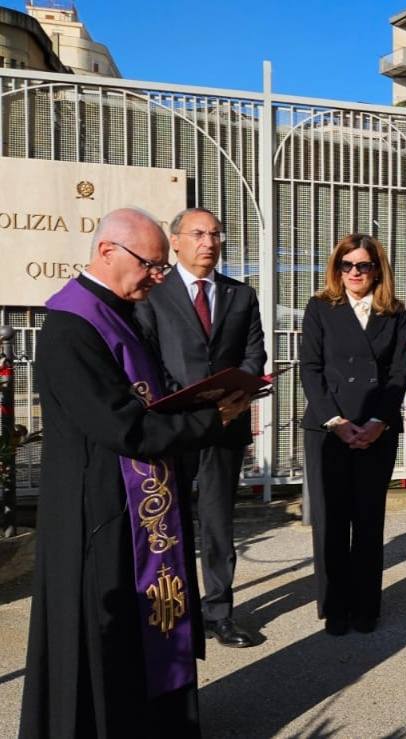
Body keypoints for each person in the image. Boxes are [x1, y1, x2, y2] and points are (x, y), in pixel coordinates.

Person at [20, 208, 252, 738]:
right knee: (109, 639)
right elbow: (122, 428)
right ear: (107, 252)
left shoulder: (121, 312)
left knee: (143, 627)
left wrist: (207, 400)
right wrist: (210, 418)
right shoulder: (70, 325)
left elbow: (152, 401)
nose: (158, 276)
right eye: (151, 264)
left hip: (138, 504)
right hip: (97, 511)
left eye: (162, 267)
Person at [135, 208, 266, 649]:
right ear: (175, 242)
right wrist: (189, 407)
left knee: (217, 525)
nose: (208, 242)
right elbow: (149, 360)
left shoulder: (240, 295)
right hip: (174, 429)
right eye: (198, 234)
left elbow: (253, 358)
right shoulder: (154, 294)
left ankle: (219, 613)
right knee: (168, 522)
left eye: (215, 233)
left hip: (225, 429)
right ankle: (174, 609)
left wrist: (233, 399)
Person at [299, 233, 406, 636]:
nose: (354, 273)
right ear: (337, 268)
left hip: (377, 429)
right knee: (330, 520)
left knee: (367, 519)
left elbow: (399, 371)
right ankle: (334, 607)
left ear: (376, 268)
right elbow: (309, 368)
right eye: (346, 265)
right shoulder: (320, 307)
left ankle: (366, 607)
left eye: (362, 265)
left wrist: (379, 421)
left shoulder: (394, 311)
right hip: (330, 429)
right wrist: (337, 421)